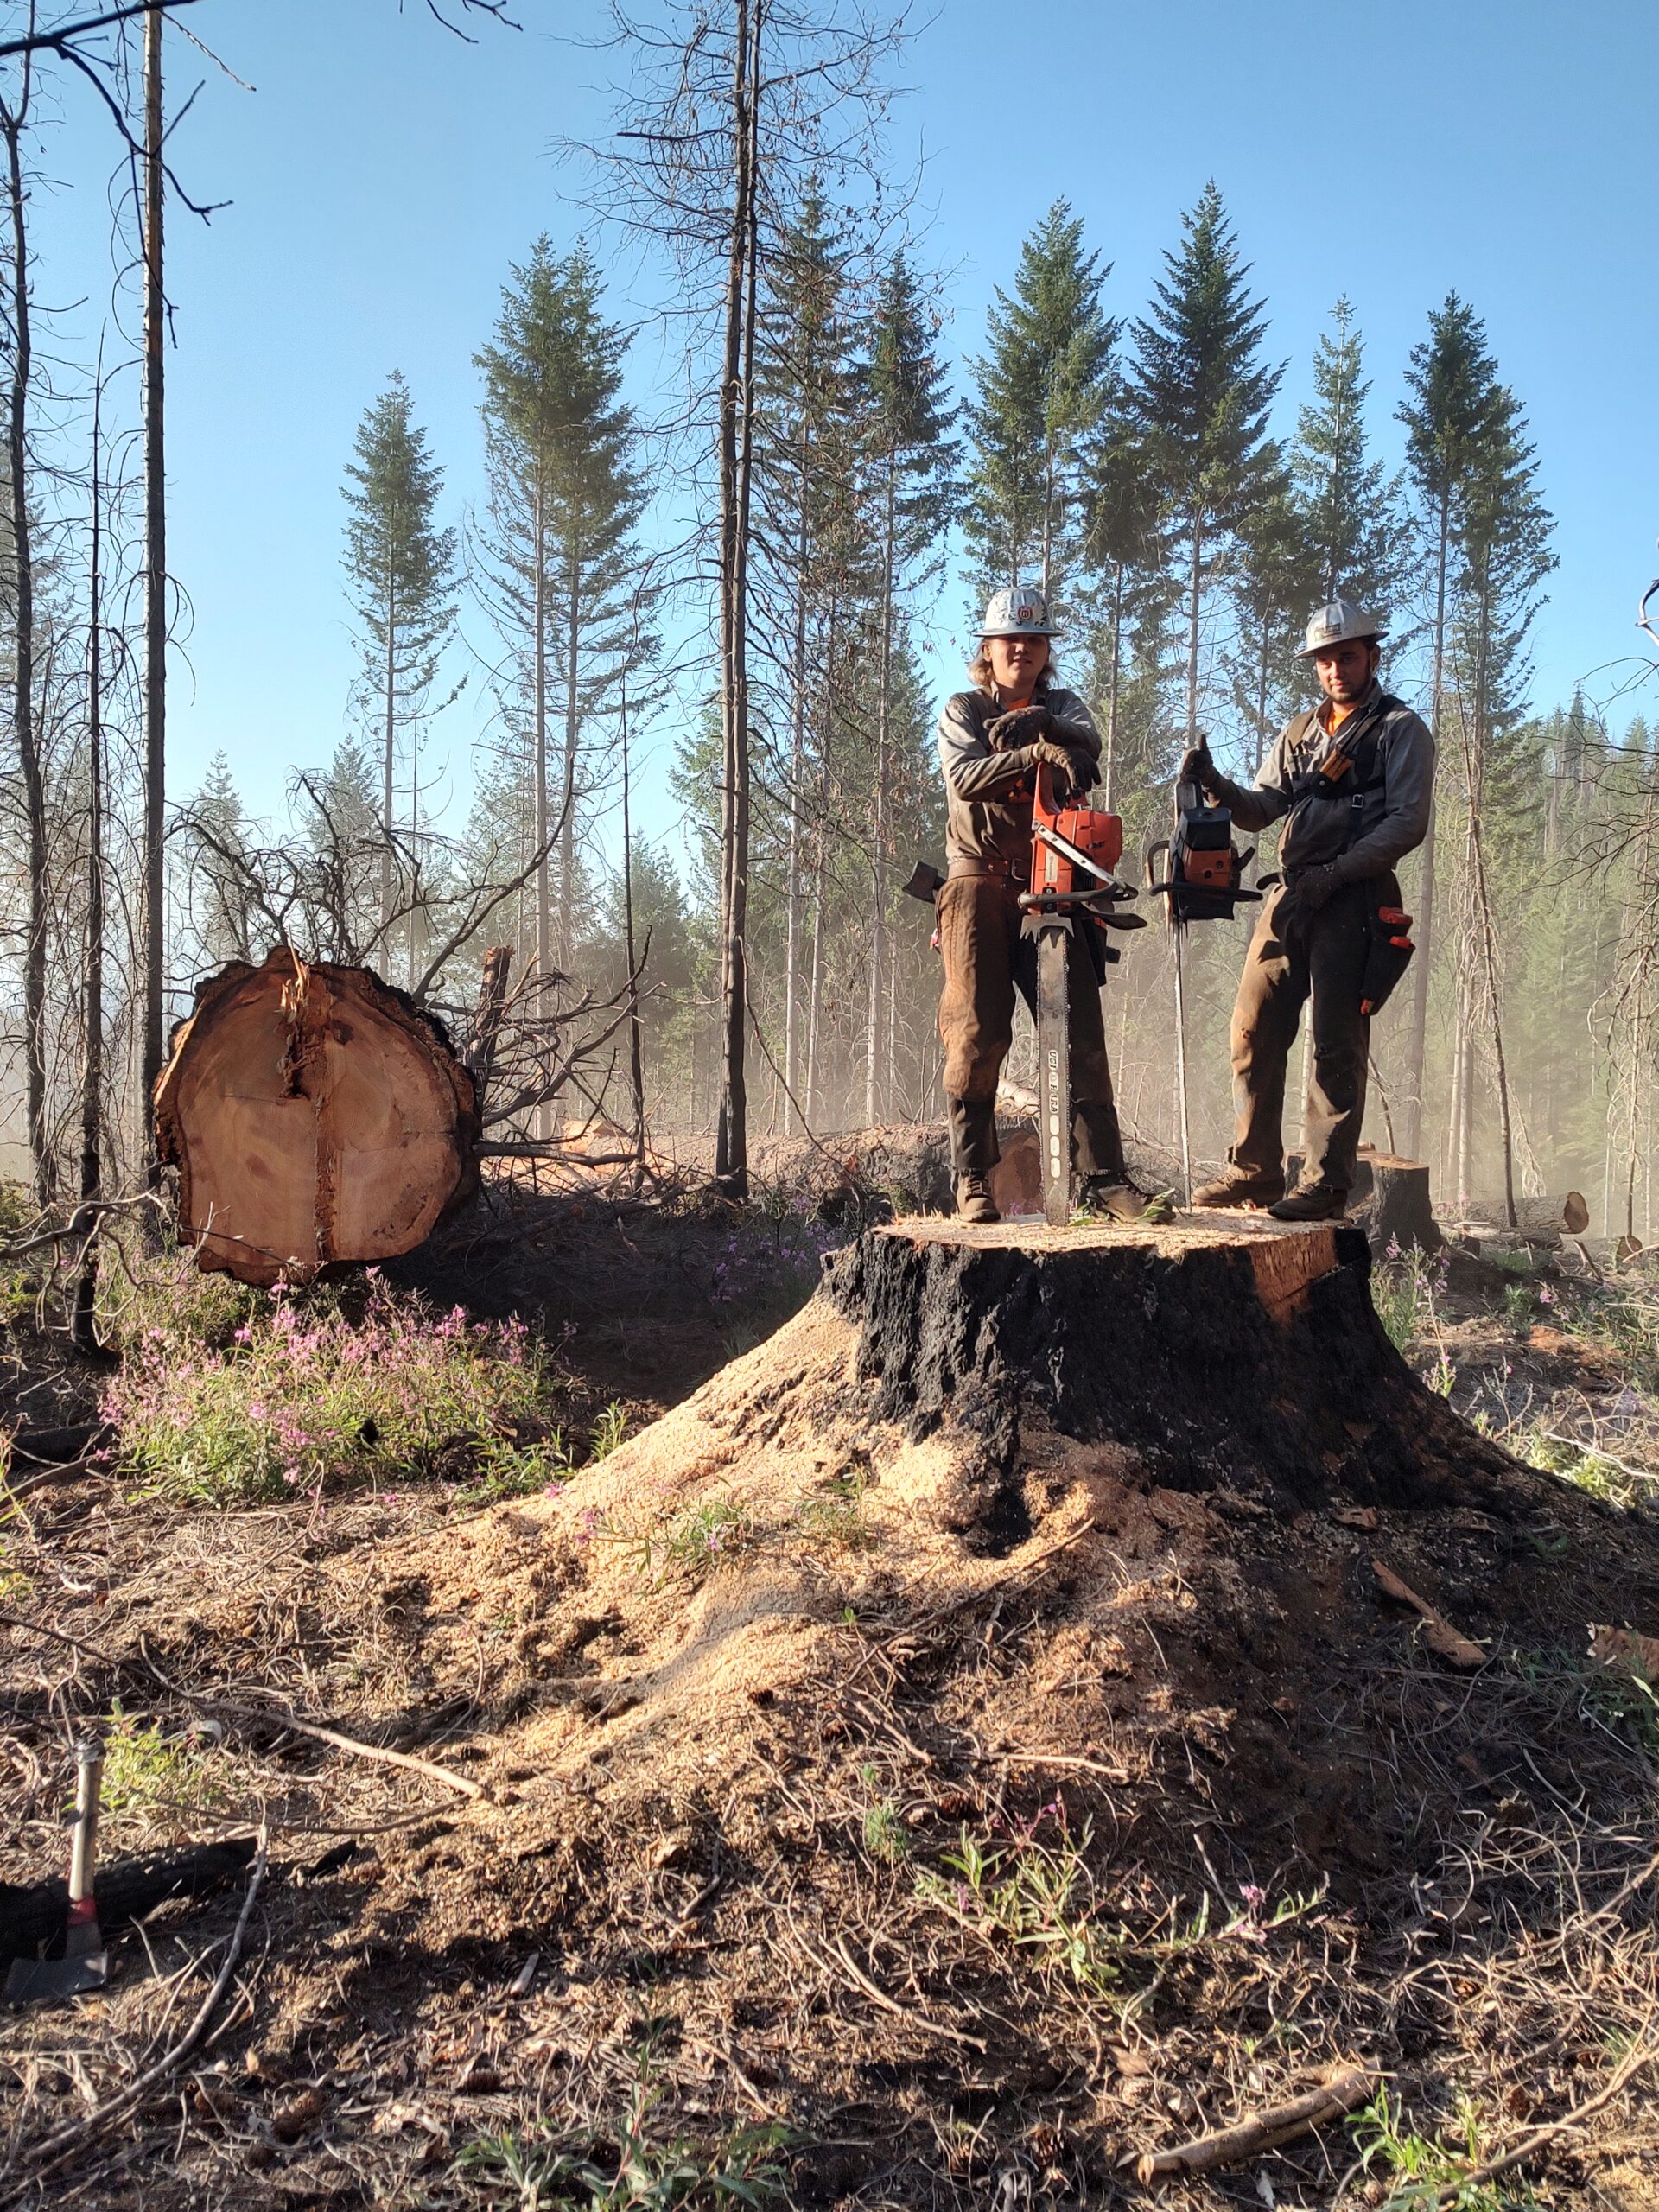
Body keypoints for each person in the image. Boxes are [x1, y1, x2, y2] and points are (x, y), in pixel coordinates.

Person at [1186, 597, 1435, 1222]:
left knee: (1335, 1045)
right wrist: (1216, 784)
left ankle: (1326, 1185)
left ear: (1371, 656)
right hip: (1293, 895)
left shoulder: (1399, 730)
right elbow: (1261, 809)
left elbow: (1408, 822)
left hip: (1355, 899)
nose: (1335, 670)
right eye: (1324, 661)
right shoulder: (1300, 732)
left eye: (1346, 657)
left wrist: (1339, 872)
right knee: (1253, 1029)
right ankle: (1255, 1170)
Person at [936, 585, 1147, 1225]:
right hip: (978, 884)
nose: (1021, 650)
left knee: (1077, 1028)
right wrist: (1033, 754)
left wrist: (1047, 728)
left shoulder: (1063, 707)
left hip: (1054, 882)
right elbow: (965, 778)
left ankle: (1105, 1178)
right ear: (989, 649)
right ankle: (974, 1177)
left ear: (1046, 650)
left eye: (1033, 640)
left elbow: (1089, 747)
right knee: (978, 1030)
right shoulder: (964, 709)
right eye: (1010, 640)